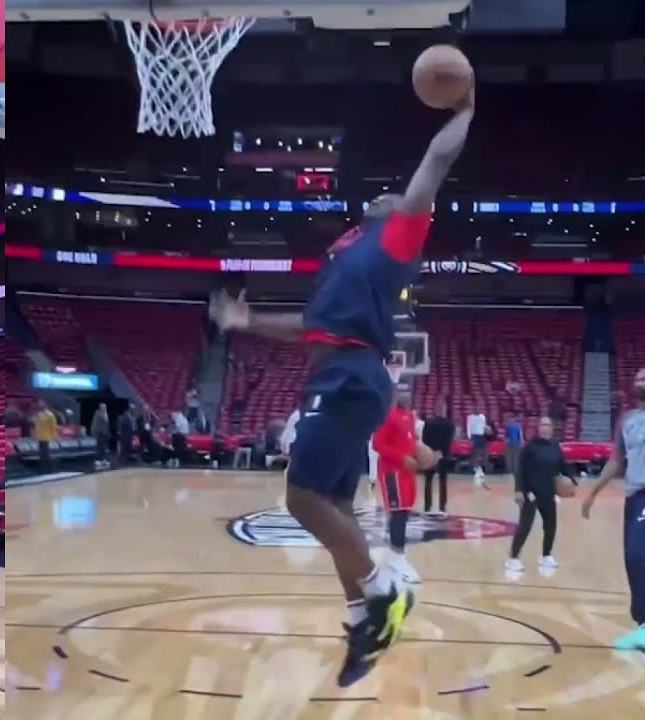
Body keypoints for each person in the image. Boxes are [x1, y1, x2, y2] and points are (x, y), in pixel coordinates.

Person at [210, 86, 473, 687]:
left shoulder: (398, 236)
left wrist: (465, 112)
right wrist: (246, 321)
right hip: (334, 372)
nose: (382, 194)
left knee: (302, 496)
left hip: (352, 375)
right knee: (330, 508)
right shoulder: (343, 251)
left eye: (390, 194)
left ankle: (384, 594)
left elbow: (434, 163)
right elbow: (309, 325)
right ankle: (362, 621)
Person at [585, 367, 645, 649]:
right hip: (633, 496)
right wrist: (592, 493)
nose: (640, 381)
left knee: (637, 554)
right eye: (637, 377)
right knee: (630, 556)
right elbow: (616, 462)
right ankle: (641, 624)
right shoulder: (628, 420)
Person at [372, 388, 434, 585]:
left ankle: (396, 555)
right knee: (397, 513)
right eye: (401, 392)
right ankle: (397, 558)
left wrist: (421, 452)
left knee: (404, 512)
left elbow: (408, 441)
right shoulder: (388, 416)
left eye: (408, 392)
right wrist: (402, 457)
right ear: (395, 396)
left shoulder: (409, 416)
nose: (404, 396)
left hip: (407, 472)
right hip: (392, 471)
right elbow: (377, 444)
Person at [506, 416, 571, 572]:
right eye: (542, 425)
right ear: (538, 427)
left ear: (552, 428)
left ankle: (546, 556)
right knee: (525, 526)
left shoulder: (556, 447)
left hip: (549, 492)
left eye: (548, 425)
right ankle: (513, 558)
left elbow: (563, 467)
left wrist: (572, 483)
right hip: (531, 493)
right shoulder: (529, 447)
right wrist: (519, 490)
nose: (545, 427)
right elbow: (520, 470)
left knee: (550, 526)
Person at [420, 404, 454, 517]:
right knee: (443, 481)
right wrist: (442, 452)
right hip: (443, 454)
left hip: (430, 454)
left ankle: (427, 506)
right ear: (444, 410)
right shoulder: (449, 424)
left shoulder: (429, 423)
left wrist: (431, 452)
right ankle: (442, 507)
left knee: (428, 481)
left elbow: (424, 439)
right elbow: (449, 441)